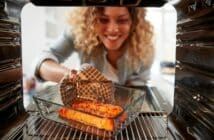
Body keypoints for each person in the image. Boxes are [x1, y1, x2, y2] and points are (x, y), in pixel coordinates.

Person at [34, 7, 154, 85]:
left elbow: (139, 84)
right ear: (91, 21)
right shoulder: (78, 33)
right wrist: (73, 77)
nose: (112, 29)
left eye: (122, 20)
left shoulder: (144, 48)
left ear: (133, 22)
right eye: (103, 20)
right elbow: (41, 62)